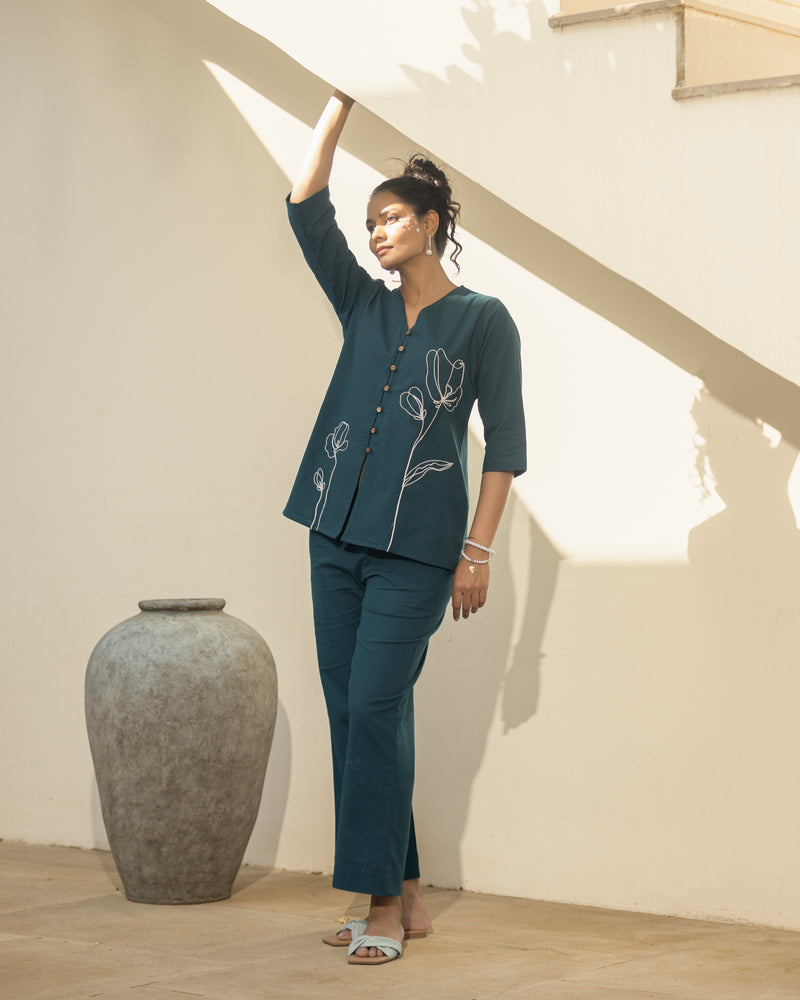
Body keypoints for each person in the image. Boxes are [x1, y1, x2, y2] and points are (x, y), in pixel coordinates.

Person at [285, 91, 526, 966]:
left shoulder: (484, 320)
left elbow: (505, 446)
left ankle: (380, 904)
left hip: (418, 552)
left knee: (376, 704)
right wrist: (336, 105)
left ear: (429, 224)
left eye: (391, 218)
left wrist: (477, 552)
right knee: (358, 713)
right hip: (331, 533)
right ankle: (411, 892)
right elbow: (305, 208)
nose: (377, 232)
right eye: (371, 222)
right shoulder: (364, 305)